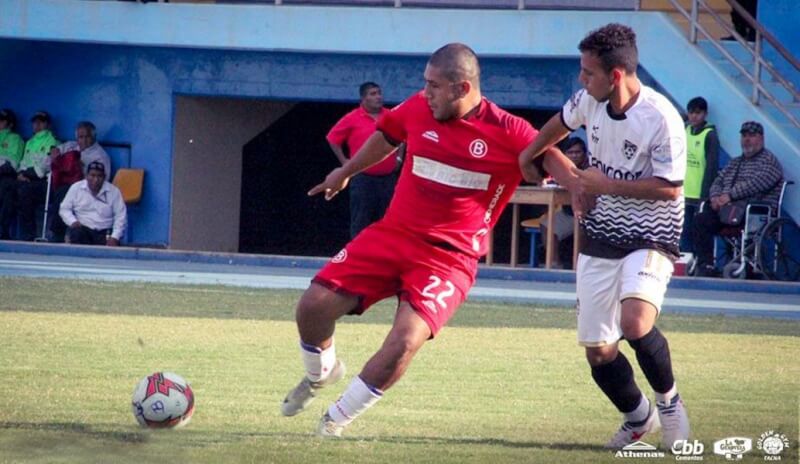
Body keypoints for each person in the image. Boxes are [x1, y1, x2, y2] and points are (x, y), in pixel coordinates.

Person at [280, 43, 569, 438]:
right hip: (392, 234)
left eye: (434, 85)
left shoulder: (509, 130)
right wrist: (346, 171)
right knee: (312, 306)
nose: (425, 92)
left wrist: (580, 187)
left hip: (449, 259)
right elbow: (387, 137)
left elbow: (550, 156)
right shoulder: (418, 107)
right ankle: (321, 375)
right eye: (425, 84)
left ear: (461, 87)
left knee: (403, 341)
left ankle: (333, 423)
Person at [519, 23, 690, 450]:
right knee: (598, 350)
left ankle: (669, 405)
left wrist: (601, 185)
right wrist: (535, 157)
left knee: (635, 322)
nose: (581, 80)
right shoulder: (587, 102)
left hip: (653, 232)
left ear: (615, 75)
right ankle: (638, 418)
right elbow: (555, 130)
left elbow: (670, 186)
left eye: (588, 73)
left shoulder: (661, 117)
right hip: (601, 233)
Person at [692, 121, 783, 277]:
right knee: (701, 218)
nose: (747, 139)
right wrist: (715, 197)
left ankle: (745, 266)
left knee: (742, 210)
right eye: (744, 136)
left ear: (761, 138)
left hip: (752, 213)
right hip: (727, 210)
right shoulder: (735, 162)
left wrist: (729, 196)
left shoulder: (769, 162)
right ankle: (705, 264)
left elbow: (756, 184)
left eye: (751, 136)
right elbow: (718, 181)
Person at [326, 82, 398, 238]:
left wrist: (399, 158)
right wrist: (345, 162)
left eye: (379, 93)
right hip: (363, 179)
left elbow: (404, 137)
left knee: (388, 222)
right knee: (361, 221)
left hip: (388, 179)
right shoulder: (352, 118)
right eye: (373, 94)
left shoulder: (391, 115)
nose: (378, 97)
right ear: (363, 98)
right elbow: (332, 139)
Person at [48, 121, 112, 242]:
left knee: (63, 193)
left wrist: (82, 169)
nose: (83, 140)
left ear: (93, 137)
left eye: (86, 137)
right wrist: (55, 153)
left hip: (85, 190)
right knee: (26, 189)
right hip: (61, 184)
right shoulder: (71, 146)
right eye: (80, 137)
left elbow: (102, 181)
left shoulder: (100, 156)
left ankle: (57, 234)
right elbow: (54, 154)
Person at [538, 137, 589, 269]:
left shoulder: (591, 167)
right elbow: (550, 180)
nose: (574, 156)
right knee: (546, 224)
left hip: (588, 213)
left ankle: (580, 266)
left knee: (584, 227)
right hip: (568, 213)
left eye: (577, 152)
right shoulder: (560, 166)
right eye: (570, 153)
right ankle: (553, 262)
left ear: (584, 153)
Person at [11, 111, 60, 241]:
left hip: (44, 183)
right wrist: (20, 174)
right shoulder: (29, 143)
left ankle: (29, 234)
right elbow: (23, 163)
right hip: (26, 179)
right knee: (9, 188)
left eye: (41, 121)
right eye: (35, 121)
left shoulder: (53, 141)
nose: (37, 124)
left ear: (47, 124)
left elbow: (45, 167)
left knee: (24, 191)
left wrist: (27, 173)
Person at [681, 97, 719, 254]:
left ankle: (699, 265)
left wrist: (705, 196)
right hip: (683, 193)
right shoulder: (684, 131)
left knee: (697, 234)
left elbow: (711, 168)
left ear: (705, 114)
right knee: (683, 233)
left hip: (699, 196)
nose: (694, 116)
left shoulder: (709, 135)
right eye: (691, 113)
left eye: (698, 113)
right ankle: (685, 265)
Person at [59, 161, 127, 246]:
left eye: (99, 176)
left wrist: (115, 237)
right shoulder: (76, 188)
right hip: (82, 229)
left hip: (105, 232)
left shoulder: (114, 191)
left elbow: (120, 216)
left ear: (104, 177)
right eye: (92, 175)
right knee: (75, 233)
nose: (96, 179)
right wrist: (72, 221)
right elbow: (64, 208)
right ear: (86, 176)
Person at [0, 109, 24, 239]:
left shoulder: (15, 138)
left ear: (10, 124)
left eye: (2, 121)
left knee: (7, 188)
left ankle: (3, 230)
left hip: (6, 175)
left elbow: (14, 163)